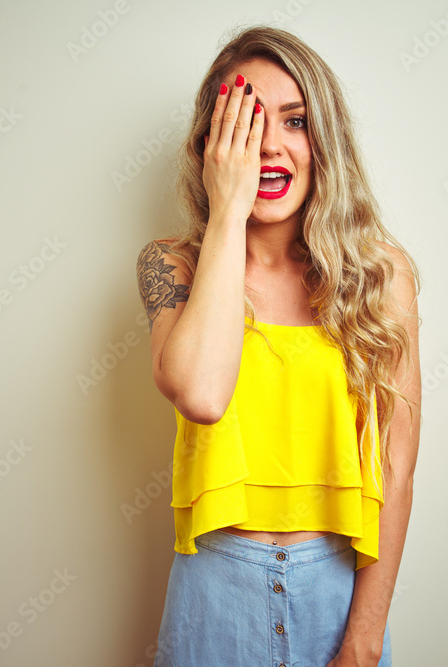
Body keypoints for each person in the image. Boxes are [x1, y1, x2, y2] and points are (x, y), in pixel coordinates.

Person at [136, 25, 421, 667]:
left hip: (339, 587)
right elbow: (203, 395)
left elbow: (396, 467)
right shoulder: (172, 265)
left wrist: (365, 639)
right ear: (212, 147)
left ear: (324, 141)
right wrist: (229, 212)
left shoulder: (381, 275)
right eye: (244, 124)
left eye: (294, 121)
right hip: (214, 592)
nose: (268, 147)